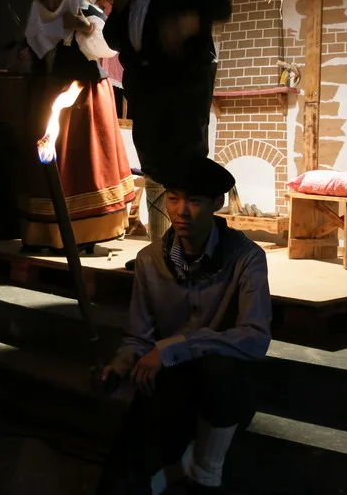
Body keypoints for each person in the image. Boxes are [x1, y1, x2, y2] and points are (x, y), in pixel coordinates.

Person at [98, 157, 271, 495]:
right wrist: (118, 367)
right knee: (122, 478)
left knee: (220, 367)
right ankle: (169, 467)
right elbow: (138, 337)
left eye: (194, 201)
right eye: (174, 198)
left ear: (216, 203)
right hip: (171, 383)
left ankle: (205, 474)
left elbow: (255, 337)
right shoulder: (149, 260)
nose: (181, 211)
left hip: (224, 386)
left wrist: (175, 348)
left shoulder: (246, 257)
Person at [103, 0, 231, 239]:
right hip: (144, 85)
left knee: (186, 161)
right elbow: (112, 38)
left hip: (184, 82)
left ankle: (189, 246)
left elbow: (220, 7)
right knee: (153, 164)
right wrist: (121, 5)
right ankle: (161, 249)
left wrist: (191, 19)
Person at [10, 0, 135, 251]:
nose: (52, 1)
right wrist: (27, 60)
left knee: (84, 162)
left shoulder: (84, 11)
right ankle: (44, 233)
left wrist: (84, 30)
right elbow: (31, 56)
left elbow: (107, 48)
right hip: (46, 100)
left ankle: (86, 233)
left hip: (85, 99)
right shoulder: (36, 24)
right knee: (47, 164)